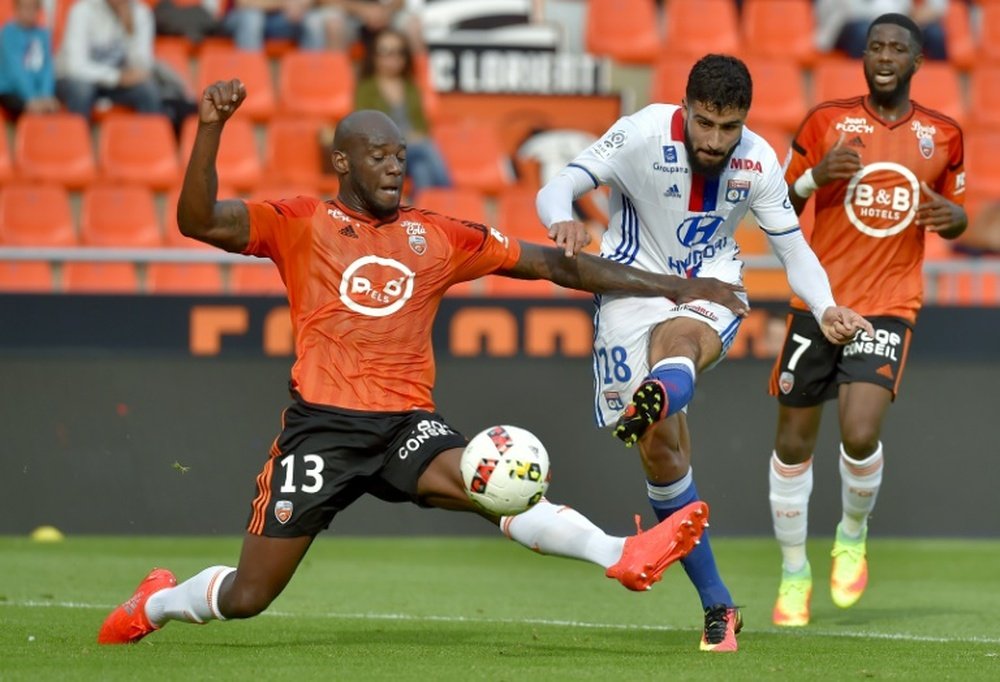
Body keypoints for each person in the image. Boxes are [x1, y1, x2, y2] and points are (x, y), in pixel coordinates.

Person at [96, 77, 755, 646]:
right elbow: (198, 221)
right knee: (248, 597)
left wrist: (674, 287)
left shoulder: (435, 236)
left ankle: (623, 554)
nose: (392, 167)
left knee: (494, 482)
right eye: (377, 156)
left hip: (406, 424)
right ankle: (155, 601)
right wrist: (209, 128)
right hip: (323, 429)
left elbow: (557, 262)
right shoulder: (300, 221)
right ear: (342, 163)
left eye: (400, 156)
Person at [535, 54, 873, 652]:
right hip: (629, 290)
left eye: (729, 127)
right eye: (705, 124)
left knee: (681, 344)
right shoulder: (640, 132)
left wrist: (825, 309)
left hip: (711, 285)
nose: (716, 141)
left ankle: (663, 387)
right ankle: (719, 606)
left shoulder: (759, 160)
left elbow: (793, 250)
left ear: (745, 119)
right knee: (661, 452)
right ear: (685, 107)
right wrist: (562, 220)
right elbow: (560, 182)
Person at [767, 13, 966, 627]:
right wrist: (813, 177)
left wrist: (947, 217)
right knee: (793, 444)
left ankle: (851, 535)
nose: (883, 55)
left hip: (887, 301)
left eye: (896, 48)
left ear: (915, 62)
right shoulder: (825, 121)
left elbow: (958, 216)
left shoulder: (944, 134)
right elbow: (777, 200)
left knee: (858, 432)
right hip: (818, 302)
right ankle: (794, 572)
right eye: (875, 46)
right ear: (865, 57)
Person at [352, 27, 450, 194]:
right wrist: (403, 139)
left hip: (413, 153)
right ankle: (449, 196)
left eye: (398, 52)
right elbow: (365, 128)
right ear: (374, 56)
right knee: (426, 147)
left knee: (422, 171)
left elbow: (422, 126)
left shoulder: (411, 88)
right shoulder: (365, 89)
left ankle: (422, 217)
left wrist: (415, 137)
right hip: (384, 152)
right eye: (386, 51)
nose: (393, 58)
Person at [55, 0, 163, 119]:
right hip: (75, 79)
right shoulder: (83, 10)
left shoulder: (141, 12)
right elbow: (75, 67)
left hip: (116, 82)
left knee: (148, 90)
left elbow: (142, 67)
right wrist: (116, 77)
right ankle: (76, 136)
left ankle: (149, 137)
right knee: (82, 89)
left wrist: (130, 31)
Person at [814, 0, 949, 61]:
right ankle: (862, 91)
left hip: (892, 25)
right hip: (844, 26)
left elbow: (935, 7)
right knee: (865, 32)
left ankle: (937, 92)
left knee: (935, 35)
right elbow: (852, 10)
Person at [0, 0, 60, 119]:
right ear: (16, 9)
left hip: (39, 93)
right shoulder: (8, 33)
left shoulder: (43, 34)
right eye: (25, 8)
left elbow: (47, 68)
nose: (29, 12)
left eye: (33, 8)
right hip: (12, 90)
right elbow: (15, 71)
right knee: (15, 102)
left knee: (57, 100)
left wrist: (46, 95)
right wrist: (31, 98)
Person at [220, 0, 328, 51]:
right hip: (238, 18)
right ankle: (250, 84)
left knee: (313, 21)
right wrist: (284, 4)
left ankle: (310, 85)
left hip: (278, 20)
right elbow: (244, 3)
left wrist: (300, 5)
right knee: (253, 18)